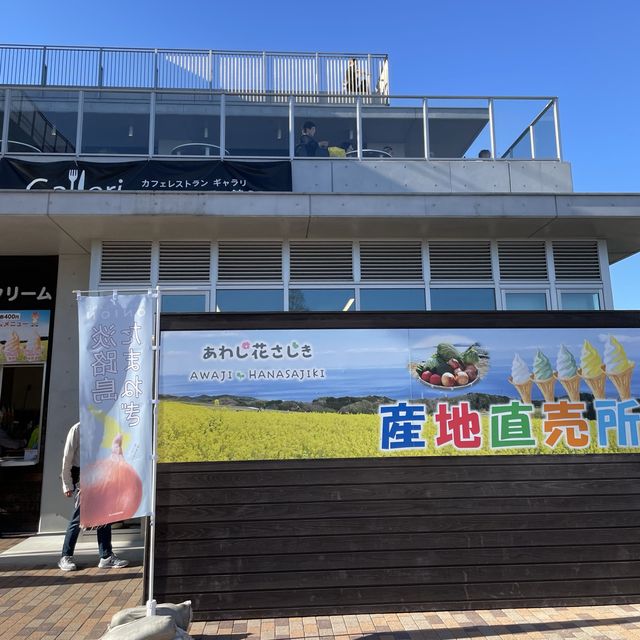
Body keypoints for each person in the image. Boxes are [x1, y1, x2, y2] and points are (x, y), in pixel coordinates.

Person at [58, 422, 129, 571]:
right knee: (79, 517)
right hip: (82, 476)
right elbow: (67, 458)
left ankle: (106, 556)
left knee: (104, 517)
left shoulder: (106, 426)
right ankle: (66, 556)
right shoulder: (78, 428)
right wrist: (67, 484)